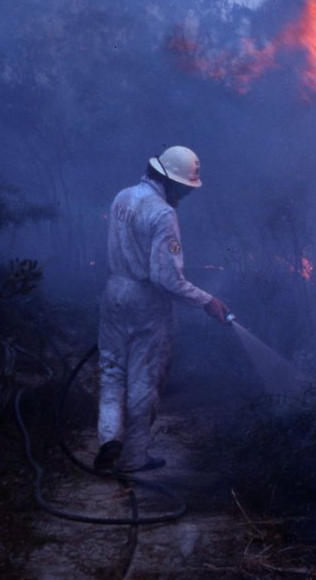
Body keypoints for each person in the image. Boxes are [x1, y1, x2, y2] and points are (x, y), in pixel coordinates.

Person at [94, 145, 231, 473]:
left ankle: (109, 441)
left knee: (112, 371)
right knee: (143, 377)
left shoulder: (122, 197)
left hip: (114, 291)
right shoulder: (163, 213)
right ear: (169, 180)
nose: (183, 196)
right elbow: (165, 278)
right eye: (183, 188)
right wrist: (207, 301)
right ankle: (134, 457)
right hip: (146, 301)